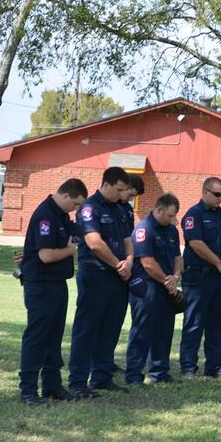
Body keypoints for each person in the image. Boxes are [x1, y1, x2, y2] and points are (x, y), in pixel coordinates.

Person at [17, 178, 88, 405]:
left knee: (54, 336)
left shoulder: (60, 214)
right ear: (66, 195)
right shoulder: (46, 215)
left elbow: (75, 231)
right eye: (75, 204)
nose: (75, 209)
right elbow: (46, 255)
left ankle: (52, 386)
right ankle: (28, 390)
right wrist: (70, 250)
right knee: (37, 337)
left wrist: (78, 237)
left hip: (56, 283)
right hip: (41, 284)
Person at [67, 166, 134, 398]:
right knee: (87, 329)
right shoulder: (89, 208)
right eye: (118, 189)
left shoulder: (121, 209)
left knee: (110, 328)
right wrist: (119, 264)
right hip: (96, 275)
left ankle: (102, 377)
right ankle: (77, 381)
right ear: (106, 184)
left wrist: (130, 261)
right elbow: (94, 243)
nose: (121, 194)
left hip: (118, 277)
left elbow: (128, 239)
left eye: (124, 190)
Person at [179, 177, 221, 381]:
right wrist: (218, 262)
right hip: (200, 277)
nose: (220, 198)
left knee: (218, 323)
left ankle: (215, 366)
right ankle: (188, 367)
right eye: (217, 194)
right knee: (195, 323)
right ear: (205, 192)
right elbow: (195, 243)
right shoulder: (194, 215)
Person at [125, 194, 183, 385]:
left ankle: (160, 371)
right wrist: (168, 281)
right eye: (169, 215)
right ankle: (134, 374)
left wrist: (175, 276)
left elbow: (177, 257)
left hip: (167, 286)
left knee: (164, 330)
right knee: (142, 331)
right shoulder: (144, 230)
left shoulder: (172, 230)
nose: (172, 219)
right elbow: (147, 262)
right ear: (158, 210)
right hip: (147, 287)